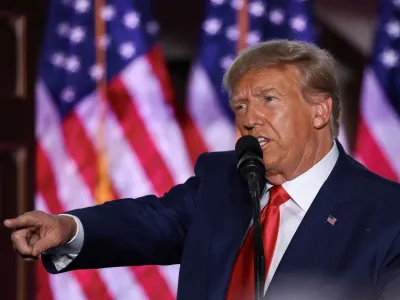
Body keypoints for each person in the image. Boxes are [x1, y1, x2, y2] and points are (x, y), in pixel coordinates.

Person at [4, 40, 400, 300]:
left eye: (268, 99)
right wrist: (67, 228)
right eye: (240, 106)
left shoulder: (385, 212)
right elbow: (149, 221)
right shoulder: (223, 179)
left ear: (320, 110)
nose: (249, 119)